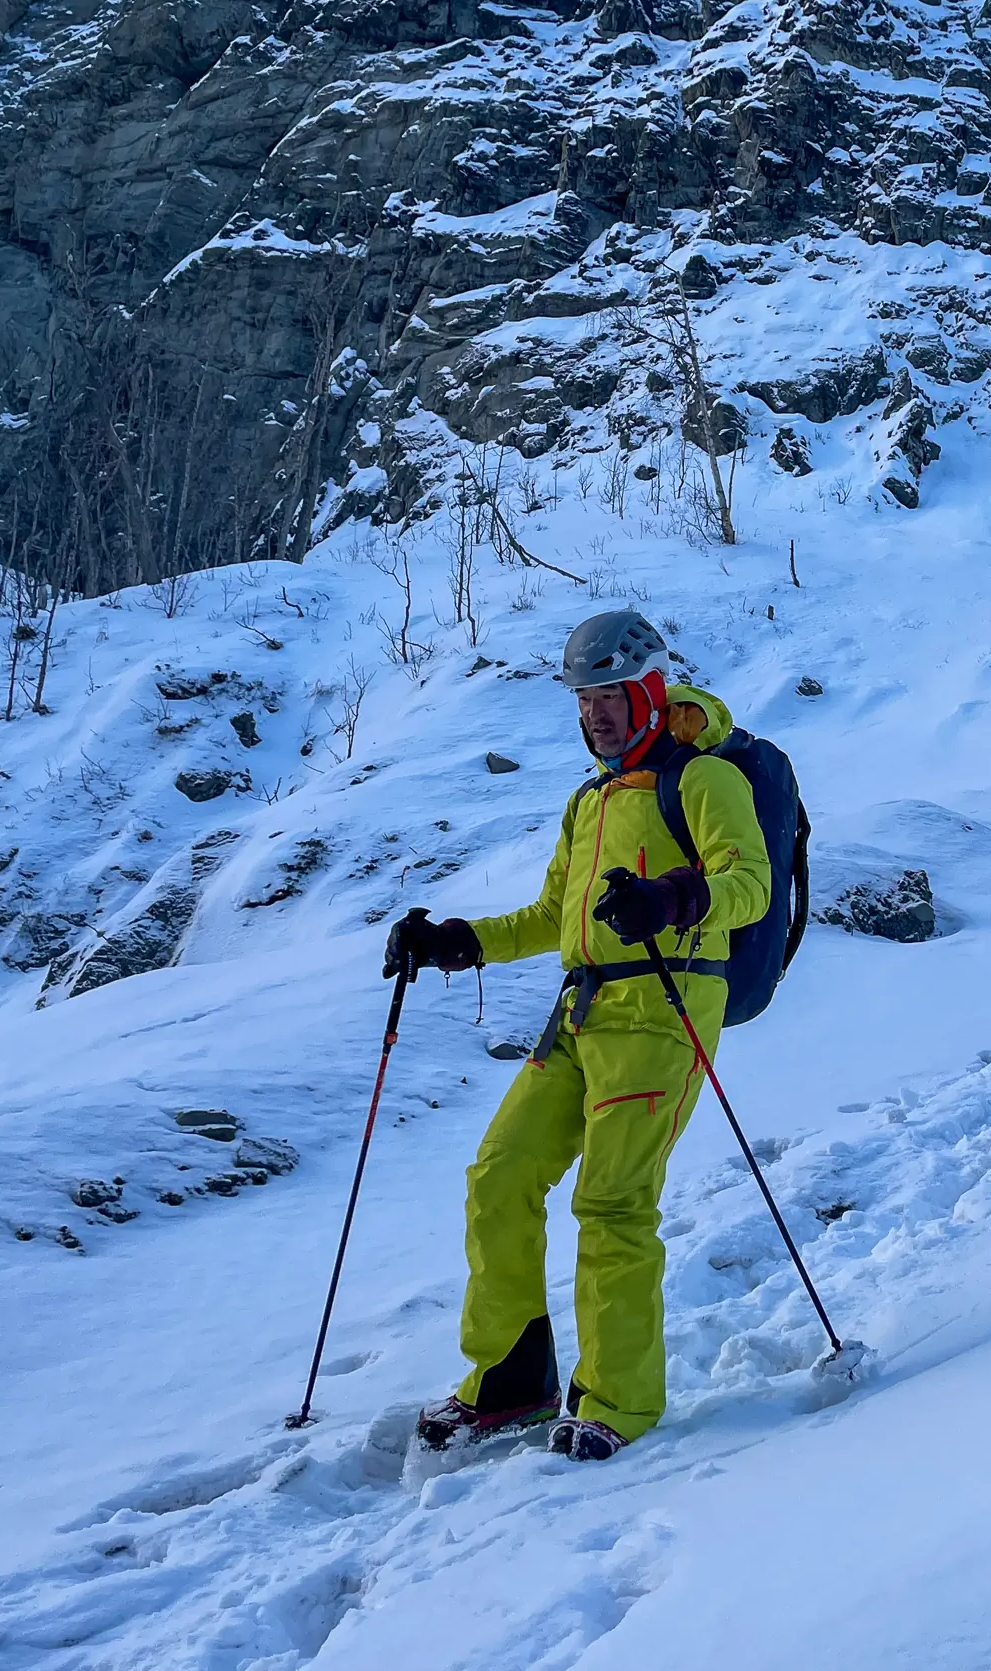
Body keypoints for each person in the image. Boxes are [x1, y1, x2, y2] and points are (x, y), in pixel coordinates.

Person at [386, 610, 772, 1462]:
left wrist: (673, 897)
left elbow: (748, 883)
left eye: (608, 696)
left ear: (647, 691)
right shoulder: (589, 802)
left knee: (613, 1205)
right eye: (583, 699)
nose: (594, 714)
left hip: (664, 1015)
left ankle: (618, 1401)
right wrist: (457, 941)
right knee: (500, 1173)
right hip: (580, 1013)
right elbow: (550, 916)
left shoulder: (703, 781)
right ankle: (512, 1381)